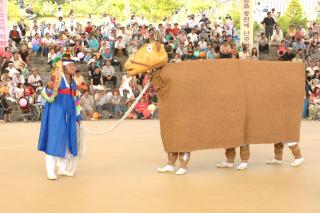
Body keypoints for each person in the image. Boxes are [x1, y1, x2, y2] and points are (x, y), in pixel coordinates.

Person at [38, 52, 83, 180]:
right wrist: (47, 88)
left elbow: (76, 100)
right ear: (64, 67)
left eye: (74, 66)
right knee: (54, 139)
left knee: (67, 141)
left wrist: (78, 116)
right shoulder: (56, 79)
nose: (74, 68)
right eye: (72, 66)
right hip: (56, 114)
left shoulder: (73, 82)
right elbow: (46, 95)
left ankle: (62, 169)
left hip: (69, 114)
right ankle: (50, 170)